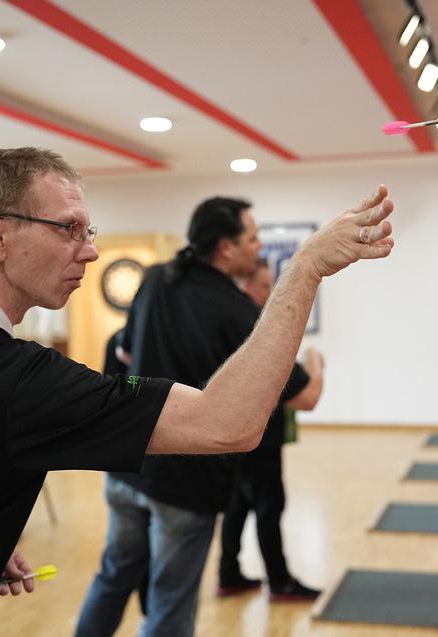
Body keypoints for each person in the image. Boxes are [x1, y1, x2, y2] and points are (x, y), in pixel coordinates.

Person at [0, 147, 395, 637]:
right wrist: (302, 271)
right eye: (68, 229)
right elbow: (227, 423)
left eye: (90, 229)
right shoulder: (20, 381)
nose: (91, 248)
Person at [76, 196, 275, 637]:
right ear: (226, 247)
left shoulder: (154, 280)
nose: (260, 247)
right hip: (184, 485)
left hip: (127, 465)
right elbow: (299, 393)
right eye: (254, 238)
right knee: (170, 603)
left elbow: (123, 349)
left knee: (113, 576)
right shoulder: (235, 310)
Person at [218, 260, 324, 601]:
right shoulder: (255, 329)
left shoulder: (226, 325)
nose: (270, 293)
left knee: (238, 504)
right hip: (257, 439)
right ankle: (280, 582)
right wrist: (316, 365)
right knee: (268, 505)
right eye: (265, 286)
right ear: (246, 286)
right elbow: (308, 398)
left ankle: (229, 573)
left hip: (231, 435)